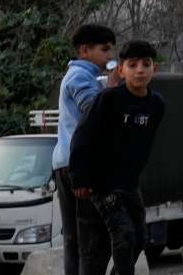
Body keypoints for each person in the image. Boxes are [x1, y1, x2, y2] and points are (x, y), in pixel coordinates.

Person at [69, 40, 165, 275]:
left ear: (155, 69)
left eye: (146, 64)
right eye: (132, 65)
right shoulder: (109, 100)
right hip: (103, 184)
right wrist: (80, 177)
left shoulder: (156, 105)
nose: (140, 70)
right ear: (121, 70)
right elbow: (82, 136)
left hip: (130, 184)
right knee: (124, 235)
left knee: (141, 237)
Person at [51, 24, 117, 275]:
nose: (109, 56)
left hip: (66, 162)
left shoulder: (78, 76)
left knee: (75, 240)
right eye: (104, 49)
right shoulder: (80, 77)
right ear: (84, 50)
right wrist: (111, 88)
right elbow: (94, 113)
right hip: (80, 166)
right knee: (92, 239)